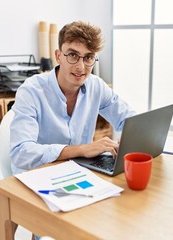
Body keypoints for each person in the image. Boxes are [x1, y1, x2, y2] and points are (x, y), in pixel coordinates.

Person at [10, 20, 135, 174]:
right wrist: (82, 149)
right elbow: (20, 152)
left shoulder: (96, 86)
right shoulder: (31, 91)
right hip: (36, 175)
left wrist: (130, 138)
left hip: (76, 172)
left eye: (88, 57)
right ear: (58, 56)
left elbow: (129, 118)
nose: (81, 67)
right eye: (73, 55)